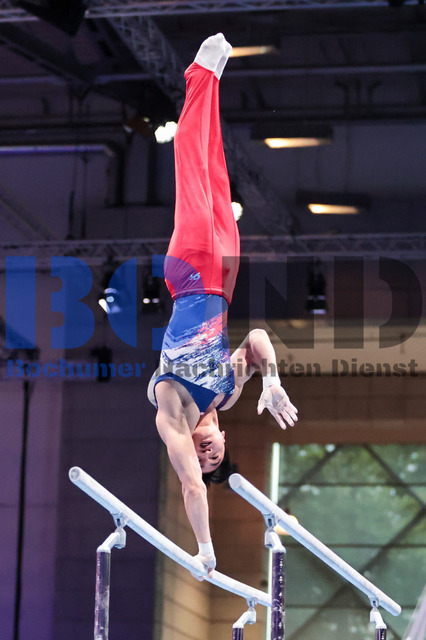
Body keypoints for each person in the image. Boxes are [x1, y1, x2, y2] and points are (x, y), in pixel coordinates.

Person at [148, 33, 298, 578]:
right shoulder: (228, 393)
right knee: (216, 175)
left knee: (191, 166)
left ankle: (199, 75)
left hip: (190, 276)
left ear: (194, 442)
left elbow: (192, 485)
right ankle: (212, 81)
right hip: (225, 282)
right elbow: (256, 339)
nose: (209, 456)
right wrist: (271, 380)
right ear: (225, 438)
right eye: (218, 456)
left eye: (203, 454)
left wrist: (206, 551)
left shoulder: (173, 411)